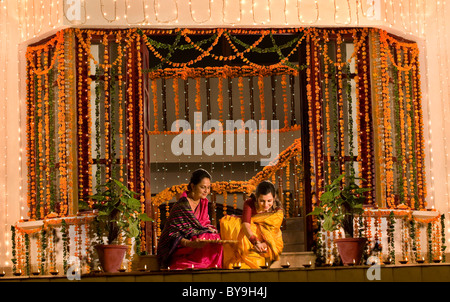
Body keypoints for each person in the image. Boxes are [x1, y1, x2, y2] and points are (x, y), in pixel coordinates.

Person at [157, 169, 223, 269]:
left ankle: (210, 265)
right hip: (181, 244)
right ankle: (194, 263)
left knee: (215, 237)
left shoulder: (203, 202)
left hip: (198, 239)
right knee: (202, 236)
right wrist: (191, 243)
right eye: (203, 187)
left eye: (208, 188)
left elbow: (204, 223)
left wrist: (210, 229)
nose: (206, 191)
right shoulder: (182, 205)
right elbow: (173, 233)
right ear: (192, 186)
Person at [220, 180, 284, 269]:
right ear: (256, 197)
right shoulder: (249, 203)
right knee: (232, 224)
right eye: (262, 201)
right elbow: (246, 225)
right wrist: (256, 242)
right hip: (252, 237)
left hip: (269, 240)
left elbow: (273, 233)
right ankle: (242, 257)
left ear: (274, 197)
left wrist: (264, 245)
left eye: (269, 201)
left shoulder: (277, 211)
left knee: (271, 234)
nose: (266, 205)